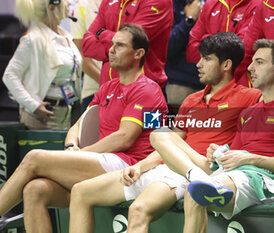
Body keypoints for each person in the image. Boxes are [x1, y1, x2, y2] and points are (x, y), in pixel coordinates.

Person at [68, 32, 261, 233]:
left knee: (138, 209)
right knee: (81, 191)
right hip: (169, 167)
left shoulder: (249, 97)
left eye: (207, 59)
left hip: (202, 170)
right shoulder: (191, 100)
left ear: (226, 65)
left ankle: (196, 177)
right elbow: (170, 143)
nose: (198, 64)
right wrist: (140, 166)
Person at [0, 23, 167, 233]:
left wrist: (83, 153)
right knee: (35, 189)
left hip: (128, 164)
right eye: (111, 44)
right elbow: (78, 124)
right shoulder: (108, 87)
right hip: (100, 161)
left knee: (34, 157)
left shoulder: (147, 90)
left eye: (120, 45)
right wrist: (71, 146)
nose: (111, 50)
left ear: (138, 53)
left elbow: (124, 138)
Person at [150, 39, 274, 232]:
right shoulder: (248, 113)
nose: (251, 68)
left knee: (194, 192)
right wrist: (220, 153)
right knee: (159, 134)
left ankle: (206, 184)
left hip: (265, 179)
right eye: (252, 62)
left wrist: (249, 159)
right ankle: (198, 177)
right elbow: (236, 153)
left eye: (259, 62)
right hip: (233, 171)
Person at [2, 0, 82, 130]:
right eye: (64, 1)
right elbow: (9, 75)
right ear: (51, 8)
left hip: (67, 112)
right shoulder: (33, 39)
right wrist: (33, 105)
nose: (69, 3)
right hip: (44, 116)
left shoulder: (65, 36)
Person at [81, 0, 173, 88]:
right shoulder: (108, 1)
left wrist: (102, 33)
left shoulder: (159, 1)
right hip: (108, 91)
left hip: (143, 90)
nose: (113, 49)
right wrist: (118, 48)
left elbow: (132, 39)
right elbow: (86, 44)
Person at [186, 0, 259, 66]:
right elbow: (192, 53)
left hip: (241, 78)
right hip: (211, 77)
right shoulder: (211, 3)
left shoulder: (257, 5)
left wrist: (205, 39)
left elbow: (240, 53)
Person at [165, 0, 205, 104]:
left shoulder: (215, 3)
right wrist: (189, 20)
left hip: (211, 84)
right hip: (180, 83)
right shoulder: (169, 4)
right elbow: (168, 47)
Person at [70, 0, 102, 112]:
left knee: (149, 128)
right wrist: (108, 82)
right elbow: (79, 54)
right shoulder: (83, 6)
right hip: (94, 90)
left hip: (136, 88)